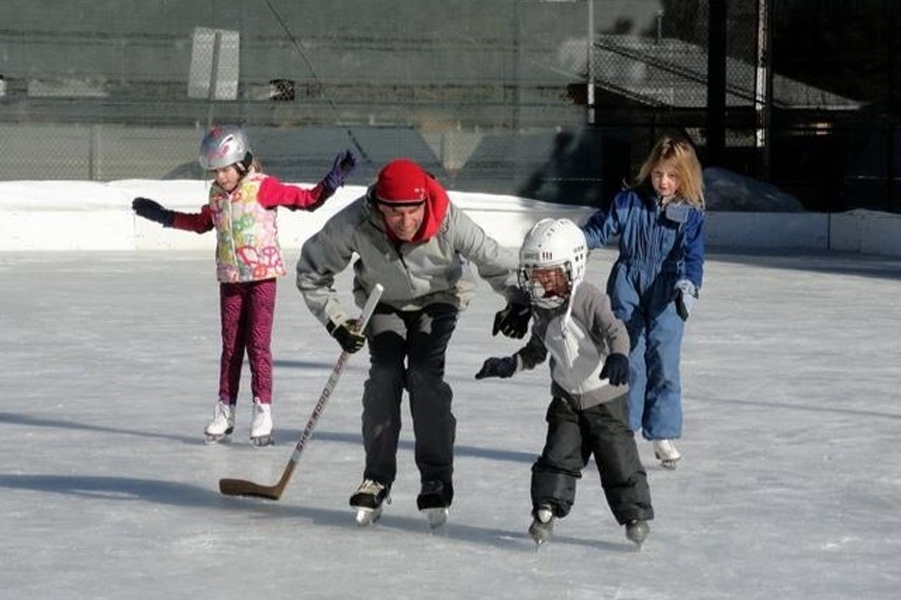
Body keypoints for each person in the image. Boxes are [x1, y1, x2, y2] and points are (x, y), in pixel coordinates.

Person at [295, 158, 529, 527]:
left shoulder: (448, 217)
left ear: (424, 202)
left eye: (413, 211)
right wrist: (337, 322)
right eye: (395, 212)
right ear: (378, 206)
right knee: (386, 373)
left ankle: (436, 475)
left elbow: (495, 260)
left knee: (423, 373)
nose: (406, 221)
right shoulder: (356, 221)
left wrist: (518, 300)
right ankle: (376, 477)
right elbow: (311, 271)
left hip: (438, 300)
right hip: (383, 302)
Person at [132, 125, 356, 446]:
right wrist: (164, 216)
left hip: (261, 278)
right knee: (230, 348)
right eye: (214, 171)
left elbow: (307, 201)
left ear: (240, 162)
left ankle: (262, 410)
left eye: (224, 170)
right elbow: (200, 224)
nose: (220, 177)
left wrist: (333, 181)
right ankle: (225, 409)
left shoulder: (264, 188)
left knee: (258, 345)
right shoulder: (216, 195)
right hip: (231, 279)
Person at [475, 218, 653, 547]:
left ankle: (634, 512)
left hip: (605, 396)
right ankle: (546, 509)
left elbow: (617, 331)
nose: (539, 283)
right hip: (566, 399)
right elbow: (537, 350)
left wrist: (619, 356)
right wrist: (509, 364)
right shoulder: (542, 310)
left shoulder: (589, 299)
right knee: (558, 453)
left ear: (573, 267)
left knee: (617, 458)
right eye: (533, 275)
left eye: (548, 274)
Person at [580, 133, 705, 469]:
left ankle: (662, 433)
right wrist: (576, 243)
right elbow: (600, 228)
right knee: (628, 358)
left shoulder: (690, 213)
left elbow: (693, 256)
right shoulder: (628, 201)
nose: (663, 182)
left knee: (664, 360)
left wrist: (688, 286)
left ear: (685, 177)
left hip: (668, 291)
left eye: (672, 175)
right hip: (628, 284)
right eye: (658, 174)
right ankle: (624, 430)